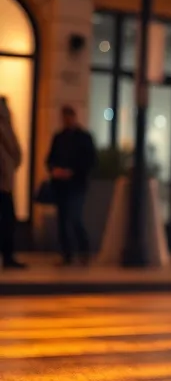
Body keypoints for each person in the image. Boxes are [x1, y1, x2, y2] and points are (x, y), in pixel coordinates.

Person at [45, 105, 96, 266]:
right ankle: (67, 254)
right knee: (62, 219)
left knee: (75, 217)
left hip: (76, 184)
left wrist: (73, 172)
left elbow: (90, 161)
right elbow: (50, 159)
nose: (66, 121)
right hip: (61, 185)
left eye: (68, 117)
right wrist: (55, 170)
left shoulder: (84, 138)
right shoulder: (59, 137)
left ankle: (83, 250)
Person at [0, 97, 26, 269]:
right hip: (3, 181)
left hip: (4, 179)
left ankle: (8, 256)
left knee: (7, 219)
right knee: (7, 219)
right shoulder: (4, 126)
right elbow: (15, 151)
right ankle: (8, 257)